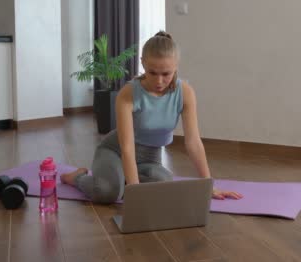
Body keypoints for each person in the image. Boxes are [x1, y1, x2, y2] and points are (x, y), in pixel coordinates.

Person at [61, 31, 243, 203]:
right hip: (115, 151)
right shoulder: (129, 93)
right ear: (143, 63)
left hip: (150, 158)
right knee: (108, 192)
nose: (159, 81)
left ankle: (121, 178)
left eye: (166, 74)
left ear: (176, 66)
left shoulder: (185, 93)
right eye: (152, 73)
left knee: (165, 187)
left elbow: (193, 142)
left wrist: (208, 185)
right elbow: (127, 147)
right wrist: (135, 192)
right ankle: (77, 177)